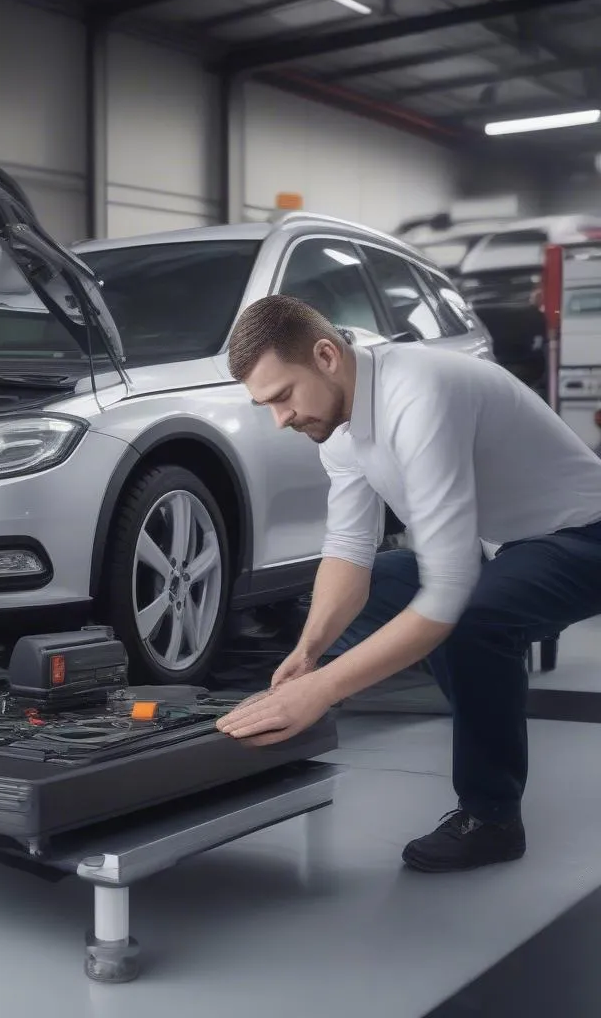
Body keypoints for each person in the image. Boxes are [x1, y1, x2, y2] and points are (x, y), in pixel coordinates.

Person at [215, 294, 601, 873]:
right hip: (507, 551)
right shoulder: (341, 430)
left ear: (325, 355)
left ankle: (492, 817)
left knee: (469, 619)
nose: (280, 418)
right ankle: (474, 699)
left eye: (283, 396)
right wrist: (309, 655)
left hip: (584, 538)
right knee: (390, 578)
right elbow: (349, 551)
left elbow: (447, 593)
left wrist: (319, 691)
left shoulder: (419, 393)